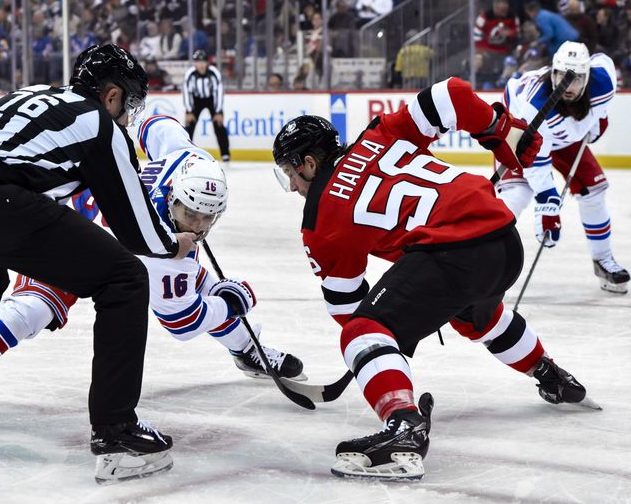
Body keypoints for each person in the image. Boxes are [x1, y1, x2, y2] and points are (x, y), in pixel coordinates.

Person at [271, 78, 598, 480]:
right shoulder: (380, 133)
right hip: (503, 240)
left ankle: (404, 429)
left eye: (290, 171)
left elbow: (346, 308)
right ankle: (549, 374)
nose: (291, 185)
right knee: (475, 314)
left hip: (453, 252)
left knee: (361, 333)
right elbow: (452, 94)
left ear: (309, 163)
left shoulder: (320, 219)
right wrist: (499, 128)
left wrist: (390, 343)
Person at [0, 44, 196, 481]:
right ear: (111, 95)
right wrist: (176, 242)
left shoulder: (30, 94)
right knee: (125, 277)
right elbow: (136, 232)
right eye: (129, 103)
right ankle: (116, 430)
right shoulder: (99, 123)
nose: (128, 116)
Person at [0, 116, 306, 421]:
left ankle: (246, 349)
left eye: (206, 219)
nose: (197, 227)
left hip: (97, 226)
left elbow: (157, 124)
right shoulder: (161, 249)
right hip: (69, 234)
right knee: (36, 306)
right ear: (169, 199)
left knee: (203, 281)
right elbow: (181, 321)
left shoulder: (188, 161)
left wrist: (136, 115)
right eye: (189, 213)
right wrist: (233, 302)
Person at [500, 41, 629, 293]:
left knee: (595, 190)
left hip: (564, 138)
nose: (567, 86)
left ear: (588, 76)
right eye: (561, 77)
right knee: (516, 196)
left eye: (577, 78)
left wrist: (598, 116)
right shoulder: (535, 107)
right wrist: (547, 205)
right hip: (521, 134)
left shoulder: (603, 81)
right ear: (553, 72)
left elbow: (604, 58)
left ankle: (602, 260)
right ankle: (478, 267)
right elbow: (536, 164)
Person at [182, 49, 230, 162]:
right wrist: (189, 111)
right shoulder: (190, 74)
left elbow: (219, 92)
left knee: (219, 125)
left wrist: (218, 111)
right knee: (189, 125)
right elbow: (186, 92)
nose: (200, 65)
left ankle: (225, 153)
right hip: (196, 99)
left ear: (207, 62)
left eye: (203, 62)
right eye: (197, 62)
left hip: (211, 99)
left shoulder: (214, 73)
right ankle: (185, 151)